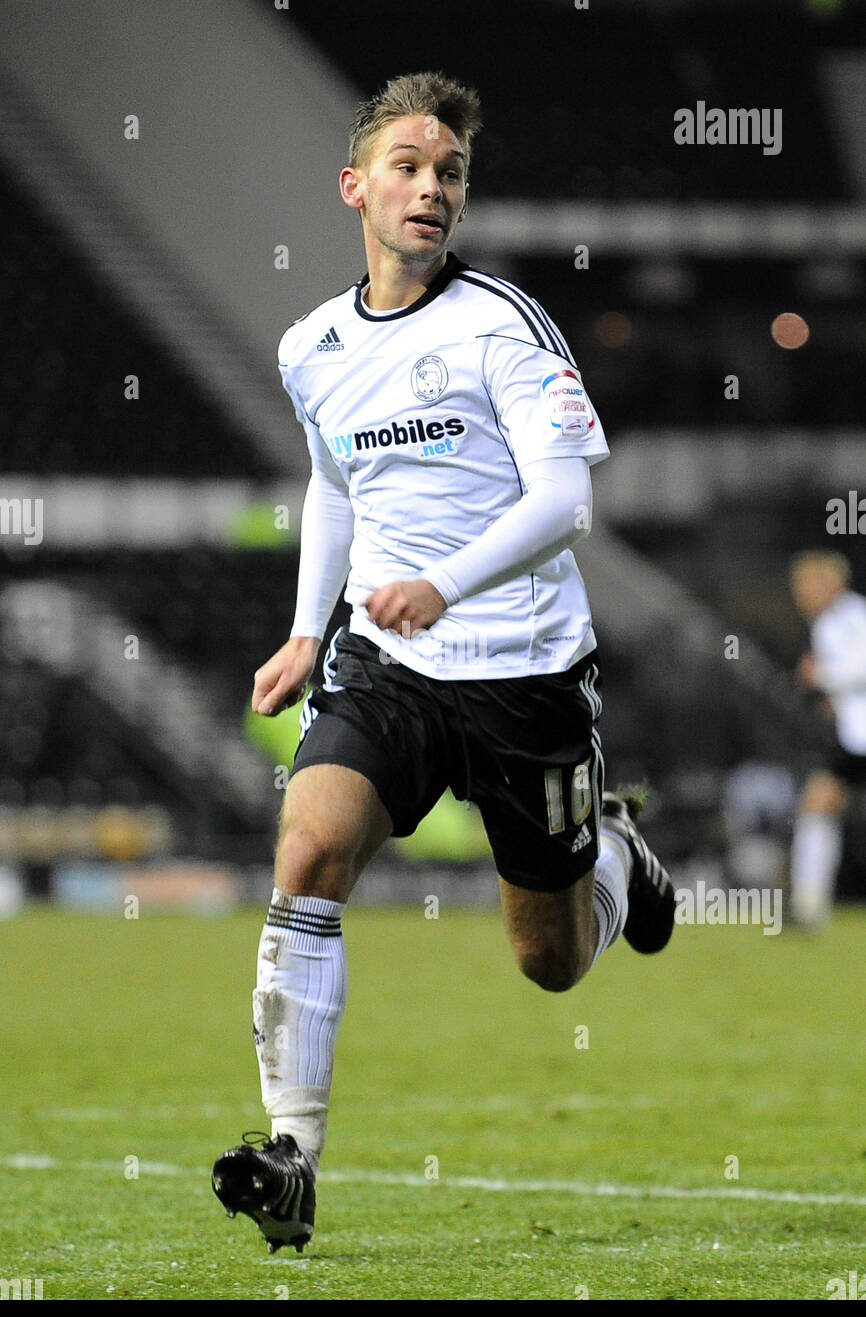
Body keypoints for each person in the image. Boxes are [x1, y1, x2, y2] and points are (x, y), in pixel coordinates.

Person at [211, 72, 675, 1254]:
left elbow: (565, 502)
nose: (431, 187)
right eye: (408, 168)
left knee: (550, 960)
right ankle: (291, 1155)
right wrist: (312, 627)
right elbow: (331, 486)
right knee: (308, 848)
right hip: (385, 663)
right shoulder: (309, 345)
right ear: (354, 187)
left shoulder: (504, 325)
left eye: (450, 172)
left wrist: (444, 581)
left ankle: (613, 857)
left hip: (521, 668)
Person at [788, 550, 866, 927]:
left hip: (860, 737)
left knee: (818, 805)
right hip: (853, 736)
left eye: (806, 584)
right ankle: (809, 907)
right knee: (819, 804)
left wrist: (820, 676)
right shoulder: (831, 621)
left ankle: (809, 906)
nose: (800, 594)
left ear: (830, 583)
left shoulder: (850, 616)